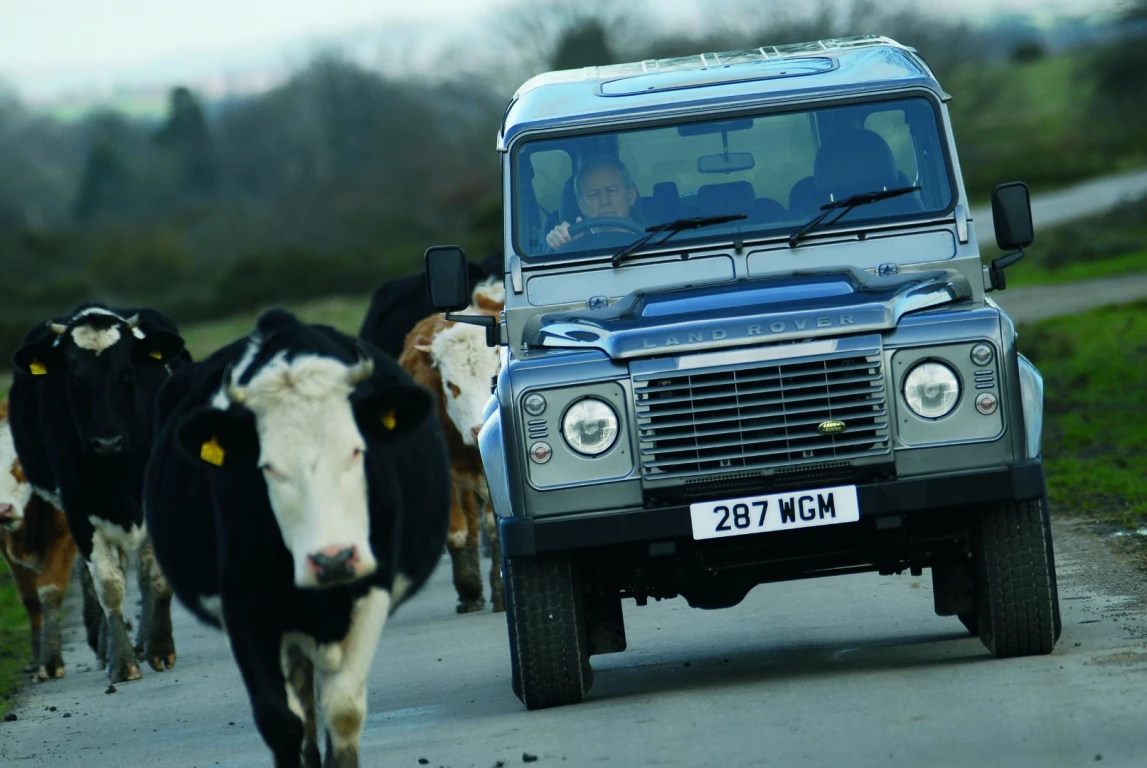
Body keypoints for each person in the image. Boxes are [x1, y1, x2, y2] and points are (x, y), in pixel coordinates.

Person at [544, 155, 640, 251]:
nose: (604, 201)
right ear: (581, 205)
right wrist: (558, 242)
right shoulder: (572, 240)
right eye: (593, 195)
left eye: (612, 191)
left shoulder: (652, 237)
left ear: (631, 196)